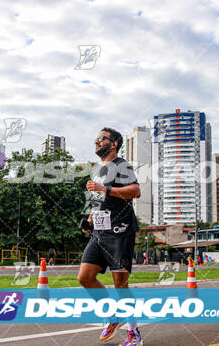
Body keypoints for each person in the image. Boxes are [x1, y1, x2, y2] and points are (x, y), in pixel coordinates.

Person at [78, 127, 143, 346]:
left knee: (120, 284)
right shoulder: (97, 169)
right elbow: (98, 199)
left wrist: (106, 190)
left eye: (101, 139)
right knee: (85, 277)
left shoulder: (121, 165)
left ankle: (134, 333)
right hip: (99, 230)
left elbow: (135, 191)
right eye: (96, 139)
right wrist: (91, 217)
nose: (96, 142)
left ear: (113, 143)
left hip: (120, 229)